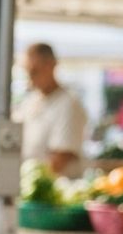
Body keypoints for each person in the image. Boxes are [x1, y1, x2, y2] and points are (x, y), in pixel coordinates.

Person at [14, 43, 89, 177]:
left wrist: (29, 181)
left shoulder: (68, 104)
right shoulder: (30, 101)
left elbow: (60, 158)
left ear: (51, 66)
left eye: (34, 71)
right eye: (27, 72)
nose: (30, 78)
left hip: (52, 189)